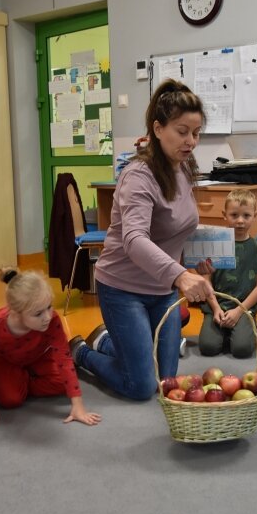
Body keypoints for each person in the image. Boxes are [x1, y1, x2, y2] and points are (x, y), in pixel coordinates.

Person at [69, 78, 212, 401]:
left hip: (161, 291)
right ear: (158, 129)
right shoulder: (138, 175)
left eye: (196, 132)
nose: (190, 141)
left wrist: (194, 264)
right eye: (182, 131)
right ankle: (82, 351)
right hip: (123, 288)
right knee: (143, 387)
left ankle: (111, 341)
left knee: (169, 383)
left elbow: (178, 226)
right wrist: (179, 275)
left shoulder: (183, 166)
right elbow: (134, 239)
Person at [0, 268, 100, 426]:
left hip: (38, 356)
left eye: (49, 307)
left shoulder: (52, 320)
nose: (47, 317)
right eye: (38, 313)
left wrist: (78, 406)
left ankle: (20, 381)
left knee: (64, 383)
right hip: (7, 360)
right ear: (16, 313)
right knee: (10, 400)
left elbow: (64, 358)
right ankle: (13, 383)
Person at [196, 188, 257, 358]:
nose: (240, 221)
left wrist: (239, 311)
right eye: (234, 215)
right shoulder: (214, 245)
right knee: (208, 348)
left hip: (244, 308)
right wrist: (215, 308)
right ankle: (230, 331)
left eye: (246, 216)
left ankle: (250, 328)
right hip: (217, 306)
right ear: (224, 215)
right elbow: (205, 280)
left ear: (255, 215)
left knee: (242, 350)